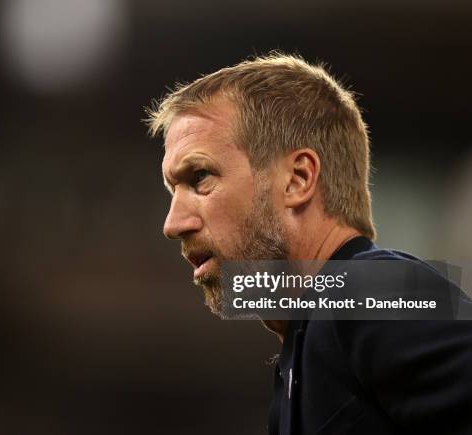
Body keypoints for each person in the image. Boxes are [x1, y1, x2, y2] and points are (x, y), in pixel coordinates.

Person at [146, 53, 472, 435]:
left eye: (199, 177)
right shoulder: (307, 341)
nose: (173, 224)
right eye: (172, 190)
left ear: (298, 179)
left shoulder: (367, 287)